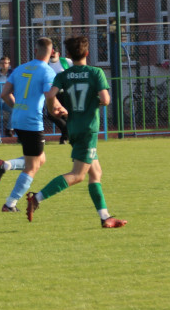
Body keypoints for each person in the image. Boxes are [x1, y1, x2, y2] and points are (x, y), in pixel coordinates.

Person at [26, 35, 127, 228]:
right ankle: (36, 198)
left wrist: (53, 109)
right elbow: (105, 100)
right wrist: (90, 103)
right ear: (87, 53)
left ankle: (105, 217)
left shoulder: (63, 75)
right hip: (88, 130)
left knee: (95, 173)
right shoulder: (96, 72)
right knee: (78, 175)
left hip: (72, 128)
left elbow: (51, 95)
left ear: (69, 55)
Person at [0, 37, 64, 212]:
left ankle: (5, 165)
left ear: (35, 51)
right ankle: (10, 204)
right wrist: (59, 110)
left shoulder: (20, 69)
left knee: (40, 159)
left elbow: (5, 94)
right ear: (52, 53)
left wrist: (17, 108)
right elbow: (49, 96)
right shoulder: (47, 72)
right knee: (33, 166)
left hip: (17, 119)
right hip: (32, 122)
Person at [47, 46, 71, 143]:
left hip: (65, 93)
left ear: (58, 54)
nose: (52, 54)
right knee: (51, 114)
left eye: (54, 52)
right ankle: (67, 131)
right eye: (51, 52)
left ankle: (64, 137)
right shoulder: (46, 64)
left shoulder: (66, 62)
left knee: (65, 114)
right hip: (53, 94)